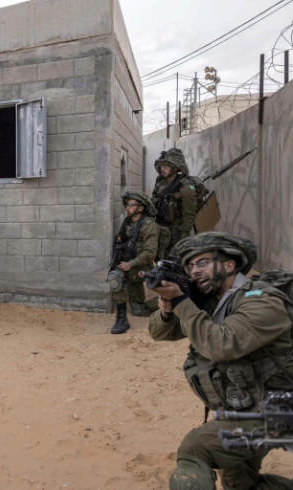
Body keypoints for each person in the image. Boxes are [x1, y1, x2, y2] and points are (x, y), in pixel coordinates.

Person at [148, 232, 293, 489]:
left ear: (229, 265)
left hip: (278, 410)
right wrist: (168, 310)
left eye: (202, 263)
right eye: (190, 266)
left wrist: (182, 301)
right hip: (247, 409)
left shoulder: (262, 300)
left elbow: (221, 344)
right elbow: (161, 333)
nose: (194, 271)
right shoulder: (213, 301)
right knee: (239, 483)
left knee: (196, 449)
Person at [108, 191, 159, 334]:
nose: (127, 208)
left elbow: (150, 253)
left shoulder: (149, 225)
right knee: (116, 278)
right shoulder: (128, 222)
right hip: (127, 263)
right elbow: (120, 239)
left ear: (141, 208)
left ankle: (165, 301)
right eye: (127, 204)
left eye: (131, 205)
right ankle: (122, 318)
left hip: (141, 266)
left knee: (137, 309)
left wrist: (130, 264)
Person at [151, 148, 197, 257]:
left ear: (176, 168)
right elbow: (153, 200)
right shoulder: (159, 181)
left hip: (175, 231)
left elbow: (188, 216)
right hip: (159, 227)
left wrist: (183, 240)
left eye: (166, 166)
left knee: (172, 260)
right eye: (162, 166)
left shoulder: (186, 187)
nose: (163, 169)